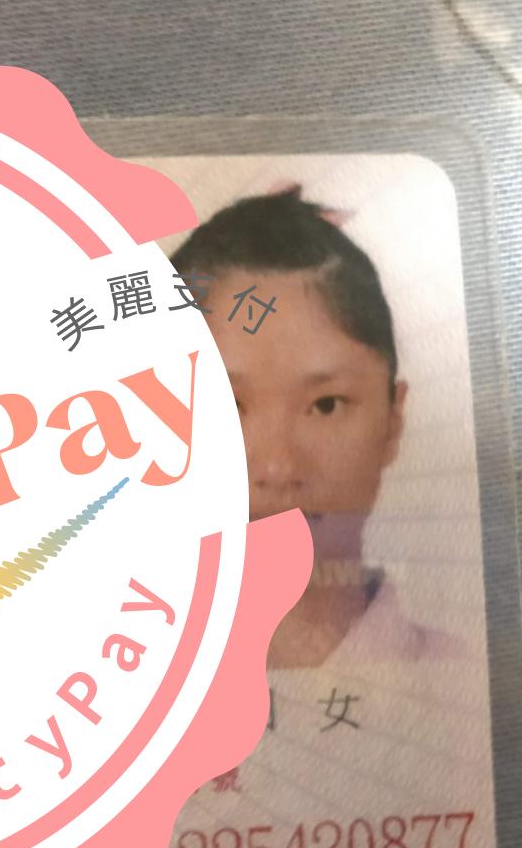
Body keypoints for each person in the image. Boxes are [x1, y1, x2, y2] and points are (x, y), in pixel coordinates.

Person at [171, 185, 458, 668]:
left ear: (393, 420)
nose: (277, 468)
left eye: (325, 405)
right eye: (226, 404)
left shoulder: (463, 678)